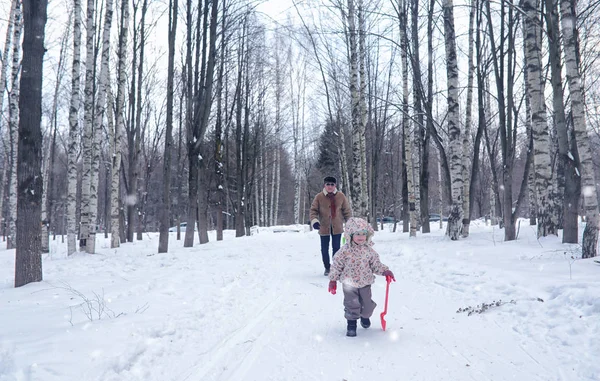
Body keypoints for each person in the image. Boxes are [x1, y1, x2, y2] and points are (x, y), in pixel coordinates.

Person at [327, 217, 396, 337]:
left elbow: (376, 265)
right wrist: (333, 280)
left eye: (363, 234)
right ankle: (351, 324)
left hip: (365, 282)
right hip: (349, 283)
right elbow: (336, 265)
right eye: (357, 234)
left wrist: (385, 271)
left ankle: (365, 316)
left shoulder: (369, 251)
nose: (361, 237)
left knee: (367, 305)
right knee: (352, 304)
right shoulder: (344, 251)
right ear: (350, 235)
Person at [310, 176, 352, 276]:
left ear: (335, 185)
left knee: (336, 249)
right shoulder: (319, 197)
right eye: (328, 184)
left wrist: (350, 223)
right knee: (324, 249)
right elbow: (313, 211)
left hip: (337, 227)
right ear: (324, 185)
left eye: (332, 184)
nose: (330, 186)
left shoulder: (341, 196)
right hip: (324, 227)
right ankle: (327, 267)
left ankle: (336, 267)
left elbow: (347, 211)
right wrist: (315, 221)